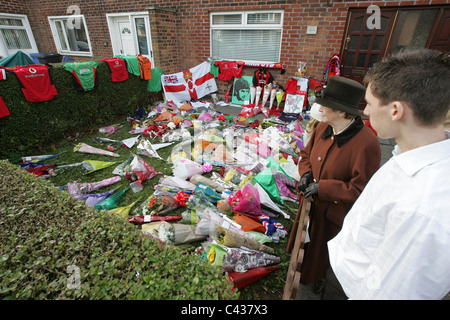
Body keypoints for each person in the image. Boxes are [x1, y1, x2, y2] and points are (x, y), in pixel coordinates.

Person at [326, 48, 450, 300]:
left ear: (396, 110)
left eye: (370, 104)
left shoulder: (424, 208)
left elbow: (392, 293)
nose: (366, 112)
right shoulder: (410, 154)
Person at [297, 76, 381, 292]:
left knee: (323, 252)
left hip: (333, 215)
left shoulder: (367, 144)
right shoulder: (322, 127)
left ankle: (322, 278)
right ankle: (302, 269)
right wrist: (306, 174)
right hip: (310, 204)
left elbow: (361, 189)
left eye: (327, 105)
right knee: (304, 244)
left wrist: (324, 188)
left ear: (343, 112)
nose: (320, 108)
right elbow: (306, 155)